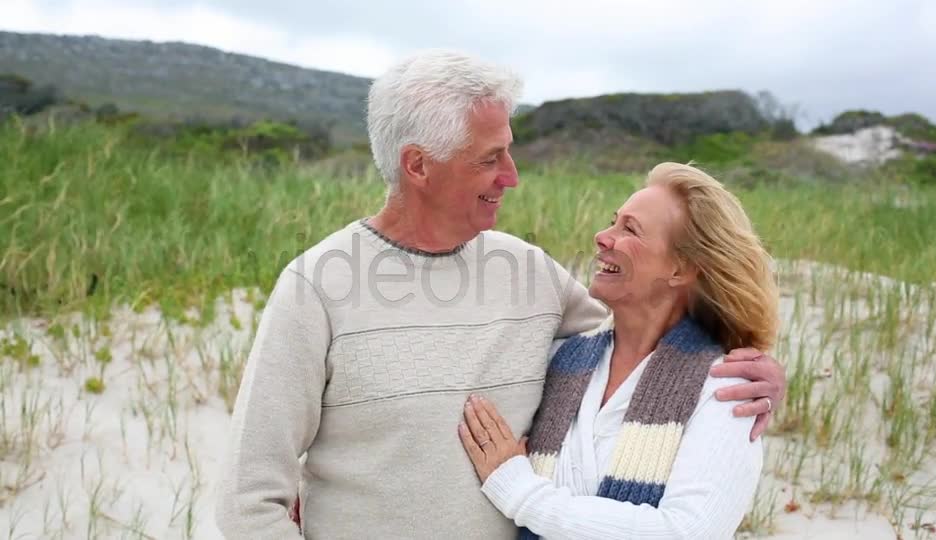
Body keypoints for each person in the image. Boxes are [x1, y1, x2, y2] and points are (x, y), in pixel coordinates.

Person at [214, 51, 785, 539]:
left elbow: (647, 342)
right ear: (418, 165)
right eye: (489, 158)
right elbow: (248, 496)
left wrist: (753, 363)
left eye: (507, 151)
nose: (511, 175)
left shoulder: (528, 272)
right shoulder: (317, 285)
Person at [458, 162, 777, 539]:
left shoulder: (727, 392)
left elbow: (687, 531)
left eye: (630, 229)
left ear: (682, 268)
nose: (602, 236)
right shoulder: (562, 360)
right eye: (614, 221)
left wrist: (519, 492)